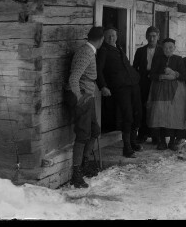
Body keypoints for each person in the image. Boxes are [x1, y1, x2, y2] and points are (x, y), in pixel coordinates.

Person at [64, 26, 104, 188]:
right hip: (82, 98)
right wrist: (80, 98)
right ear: (100, 39)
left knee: (95, 131)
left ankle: (85, 164)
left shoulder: (89, 51)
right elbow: (73, 78)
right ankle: (76, 174)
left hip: (88, 96)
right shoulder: (86, 53)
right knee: (83, 134)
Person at [97, 26, 143, 158]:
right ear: (104, 38)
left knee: (138, 113)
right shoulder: (103, 51)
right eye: (108, 36)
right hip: (120, 87)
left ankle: (133, 142)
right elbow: (99, 70)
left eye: (114, 35)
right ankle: (127, 148)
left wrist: (136, 76)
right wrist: (103, 86)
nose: (112, 38)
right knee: (127, 115)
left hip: (133, 84)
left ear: (117, 36)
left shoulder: (119, 48)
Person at [147, 38, 186, 151]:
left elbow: (184, 76)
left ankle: (172, 141)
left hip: (176, 92)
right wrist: (161, 76)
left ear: (174, 48)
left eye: (170, 47)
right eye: (165, 47)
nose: (168, 49)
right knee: (160, 115)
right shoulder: (157, 59)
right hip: (160, 91)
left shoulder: (178, 59)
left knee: (174, 115)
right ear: (162, 48)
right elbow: (152, 75)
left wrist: (174, 73)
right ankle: (161, 141)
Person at [133, 26, 164, 144]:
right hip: (143, 82)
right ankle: (142, 134)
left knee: (156, 108)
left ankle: (156, 135)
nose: (151, 38)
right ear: (146, 37)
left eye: (154, 36)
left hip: (157, 82)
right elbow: (135, 67)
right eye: (149, 36)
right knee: (143, 107)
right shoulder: (140, 51)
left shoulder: (162, 51)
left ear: (158, 37)